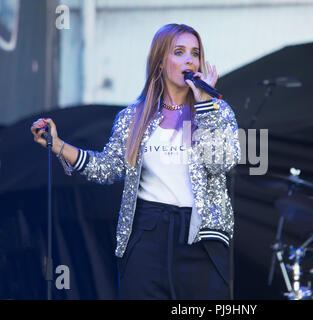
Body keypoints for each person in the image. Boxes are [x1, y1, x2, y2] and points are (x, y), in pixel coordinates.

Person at [30, 23, 240, 300]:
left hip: (200, 238)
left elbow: (222, 163)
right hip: (147, 233)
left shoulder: (217, 110)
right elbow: (107, 168)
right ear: (160, 61)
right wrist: (57, 145)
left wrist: (205, 106)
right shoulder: (133, 116)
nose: (190, 59)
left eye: (195, 53)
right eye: (179, 52)